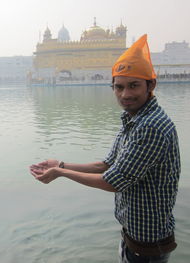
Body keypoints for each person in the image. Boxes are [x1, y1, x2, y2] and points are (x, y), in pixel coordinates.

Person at [29, 34, 180, 263]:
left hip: (148, 247)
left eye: (134, 86)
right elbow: (107, 165)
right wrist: (61, 164)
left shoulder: (152, 127)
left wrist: (60, 173)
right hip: (134, 238)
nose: (125, 94)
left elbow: (112, 181)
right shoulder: (133, 119)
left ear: (151, 85)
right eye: (119, 87)